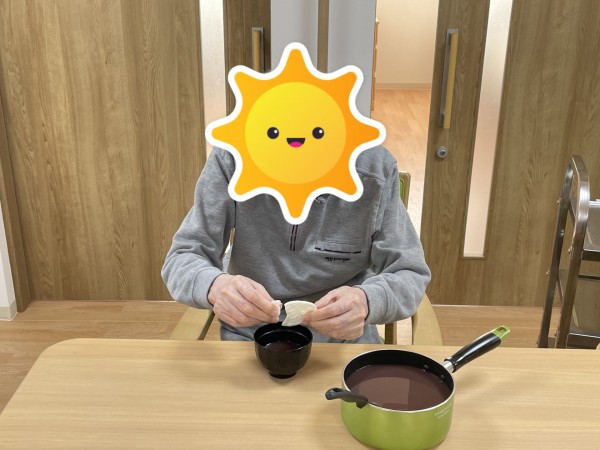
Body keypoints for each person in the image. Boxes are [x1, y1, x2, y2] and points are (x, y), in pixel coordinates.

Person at [162, 145, 431, 343]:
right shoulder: (232, 159)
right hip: (248, 337)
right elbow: (182, 256)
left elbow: (410, 272)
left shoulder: (374, 169)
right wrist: (214, 286)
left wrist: (367, 301)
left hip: (343, 341)